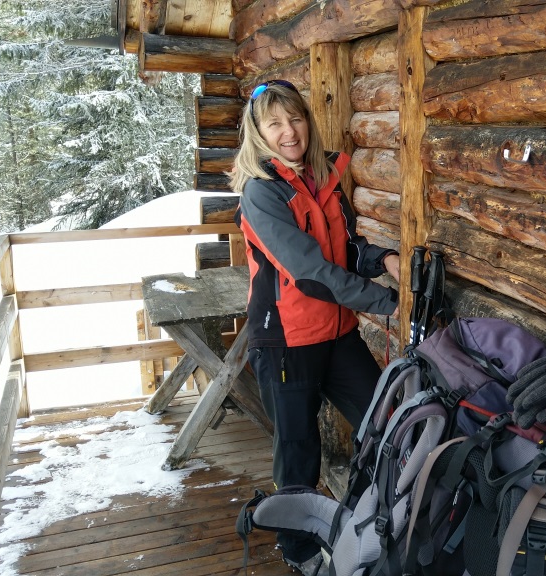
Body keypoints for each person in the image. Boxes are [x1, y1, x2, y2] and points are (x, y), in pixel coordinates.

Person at [231, 79, 401, 576]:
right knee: (298, 452)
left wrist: (382, 258)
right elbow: (311, 273)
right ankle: (300, 551)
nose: (289, 132)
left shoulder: (321, 177)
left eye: (295, 118)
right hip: (286, 342)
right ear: (258, 133)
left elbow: (344, 248)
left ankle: (370, 521)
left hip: (337, 334)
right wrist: (387, 302)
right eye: (275, 124)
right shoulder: (261, 193)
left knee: (385, 422)